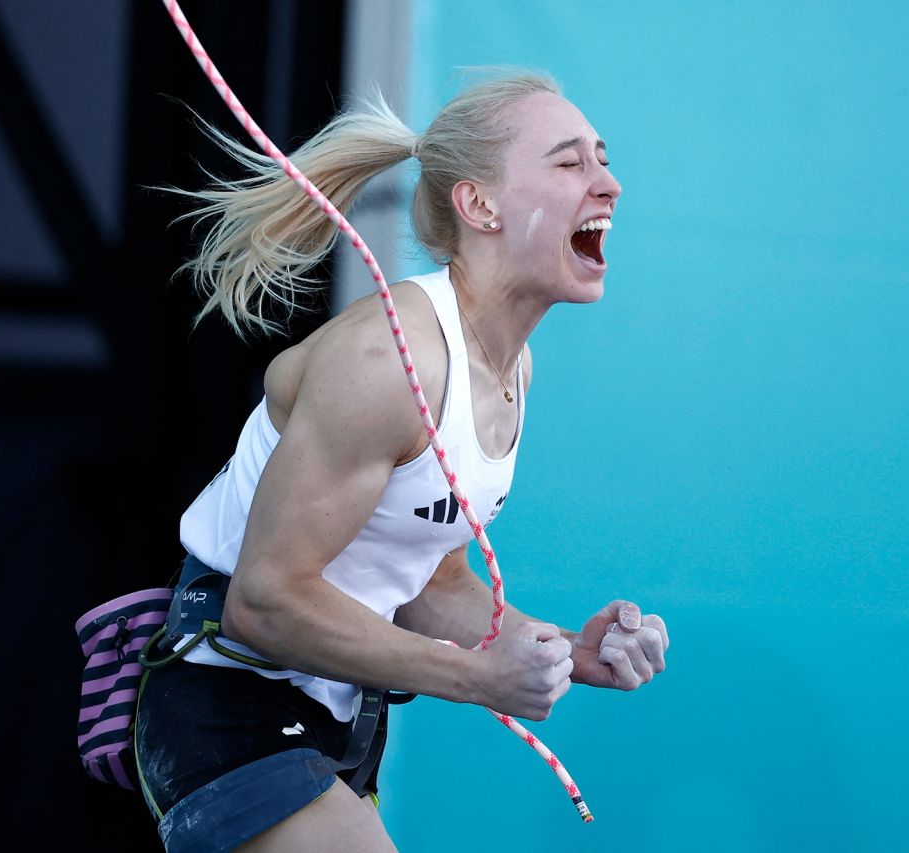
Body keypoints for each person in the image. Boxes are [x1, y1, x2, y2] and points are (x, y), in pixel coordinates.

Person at [132, 71, 669, 853]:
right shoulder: (390, 359)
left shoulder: (510, 365)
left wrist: (563, 652)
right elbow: (265, 601)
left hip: (336, 719)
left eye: (603, 158)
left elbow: (425, 572)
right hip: (228, 701)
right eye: (569, 163)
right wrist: (475, 677)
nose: (610, 183)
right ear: (480, 206)